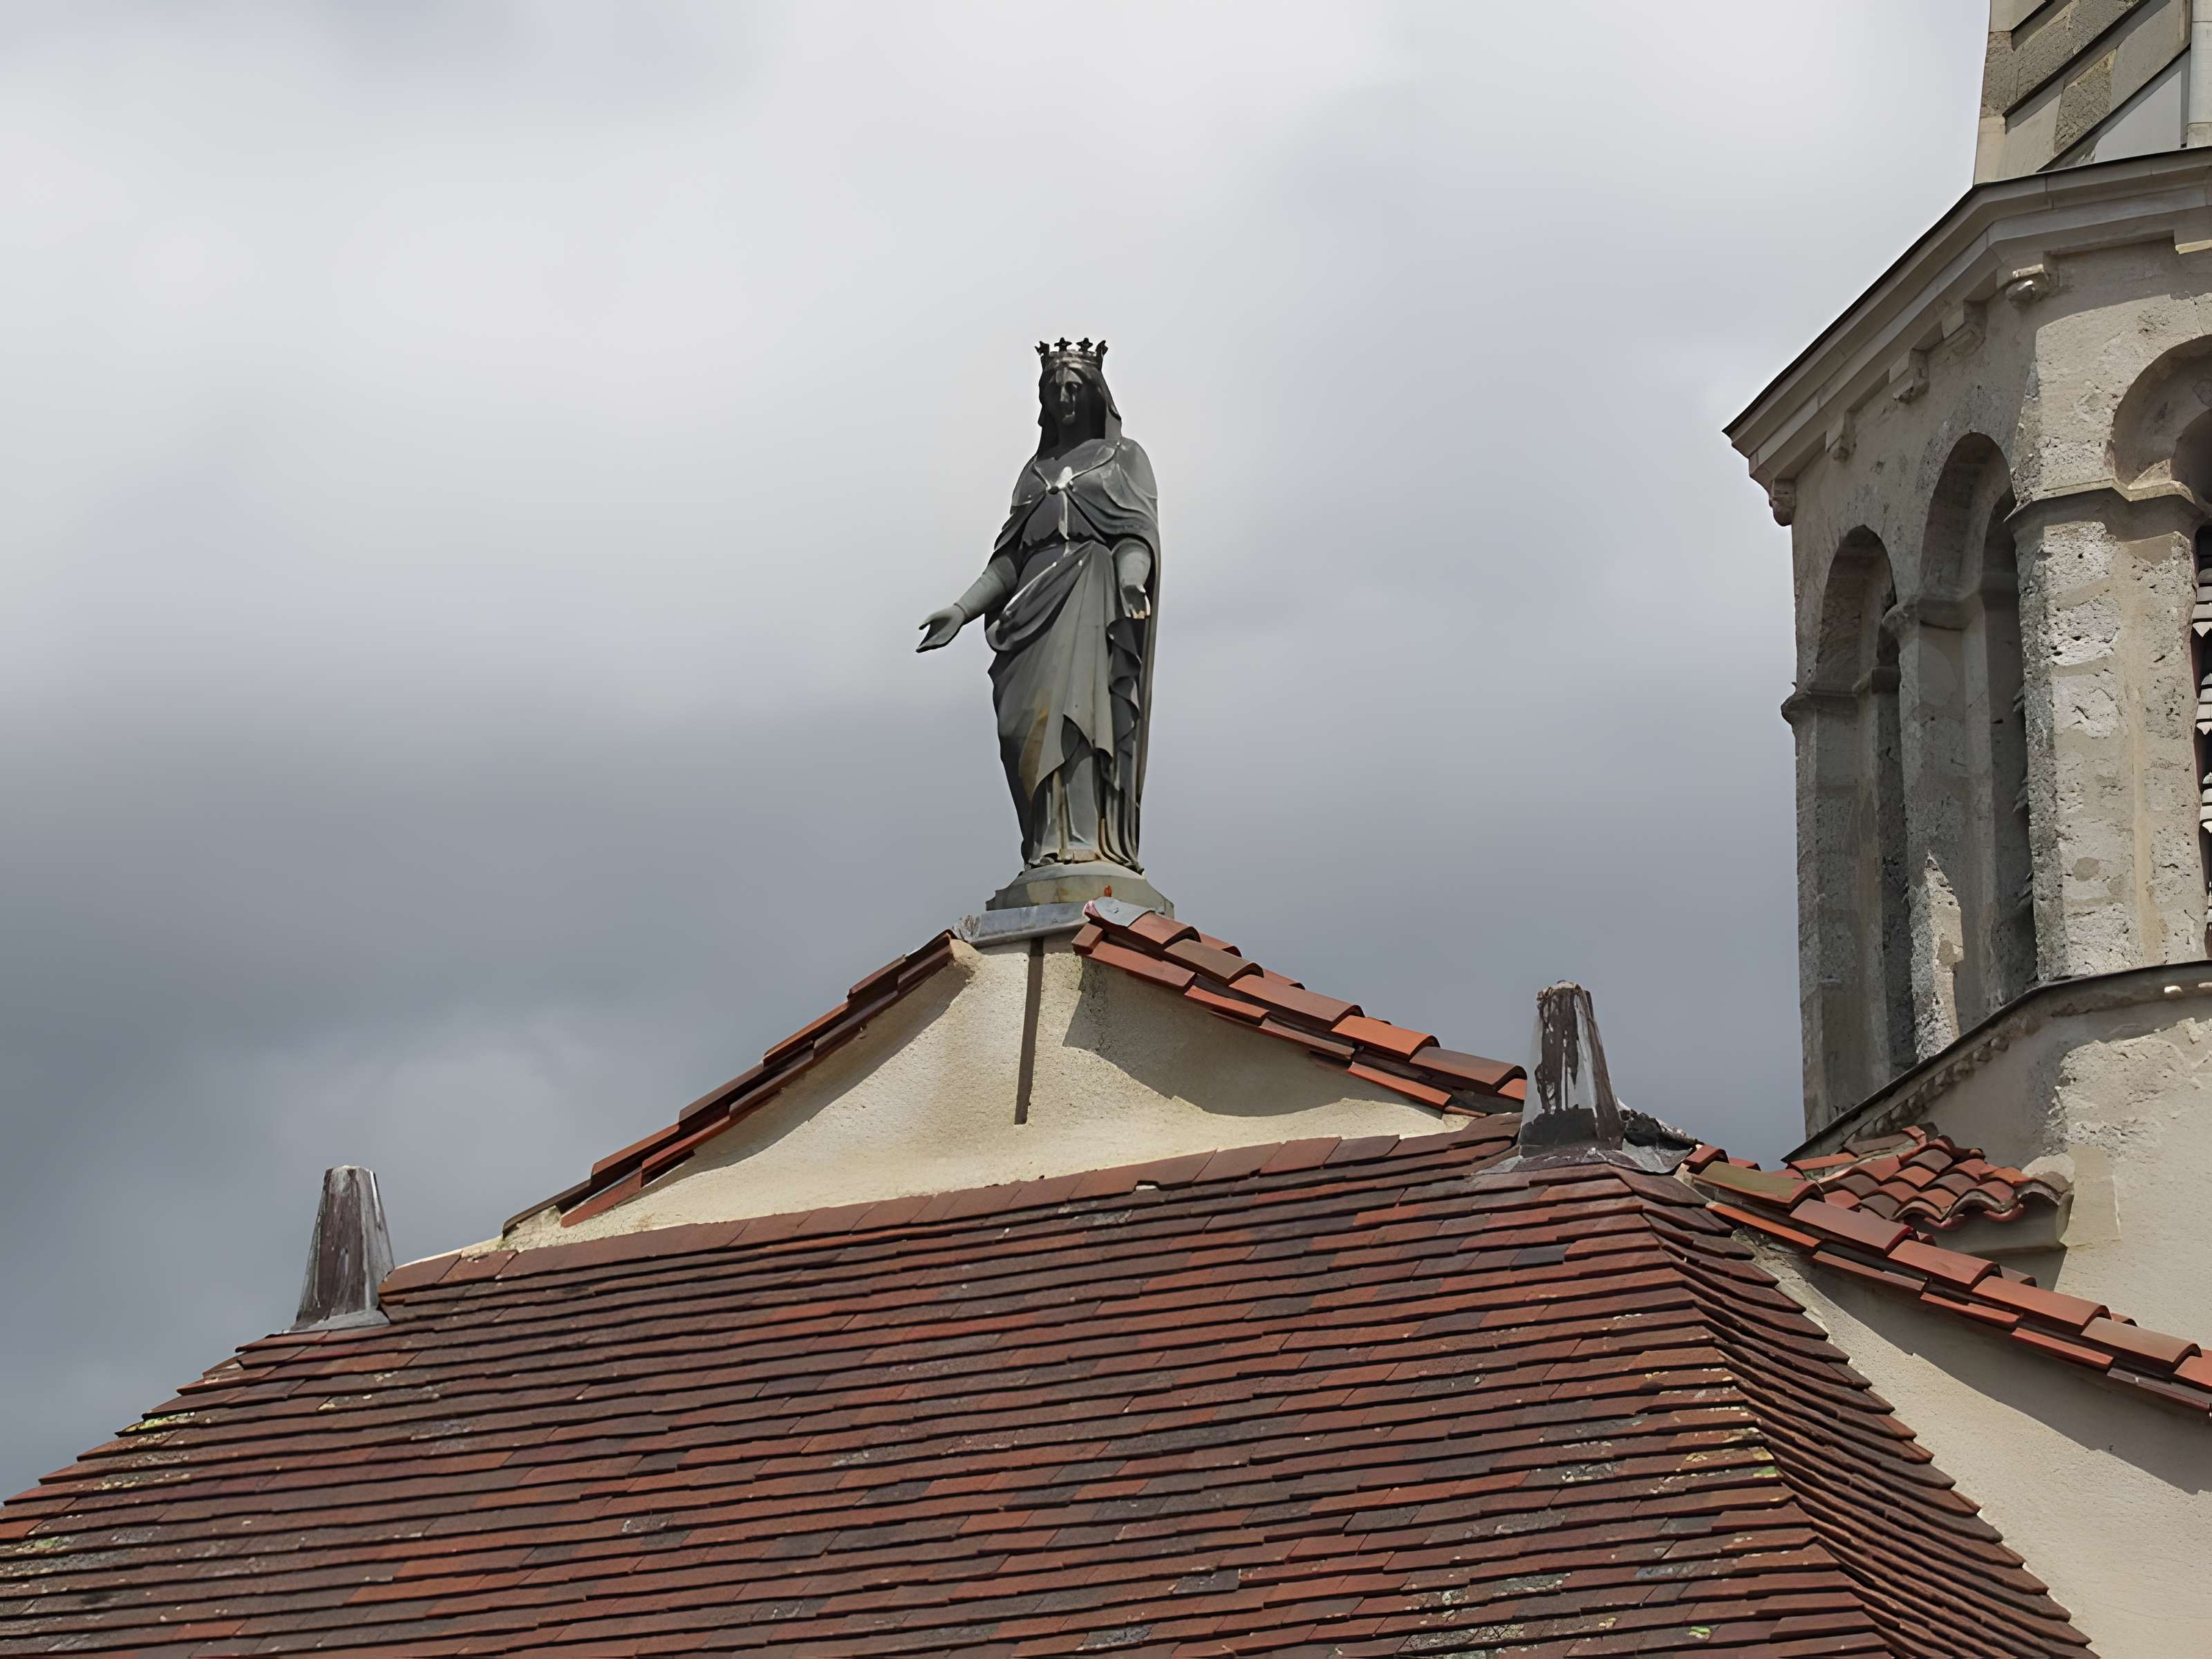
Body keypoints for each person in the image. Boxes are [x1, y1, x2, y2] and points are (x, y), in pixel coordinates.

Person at [918, 340, 1160, 874]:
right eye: (1055, 390)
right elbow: (1007, 561)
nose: (1066, 399)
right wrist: (960, 611)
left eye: (1075, 388)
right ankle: (1042, 841)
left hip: (1091, 596)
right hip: (1029, 613)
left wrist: (1130, 583)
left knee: (1079, 719)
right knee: (1019, 730)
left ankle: (1080, 844)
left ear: (1096, 394)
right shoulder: (1034, 472)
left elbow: (1136, 537)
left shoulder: (1126, 458)